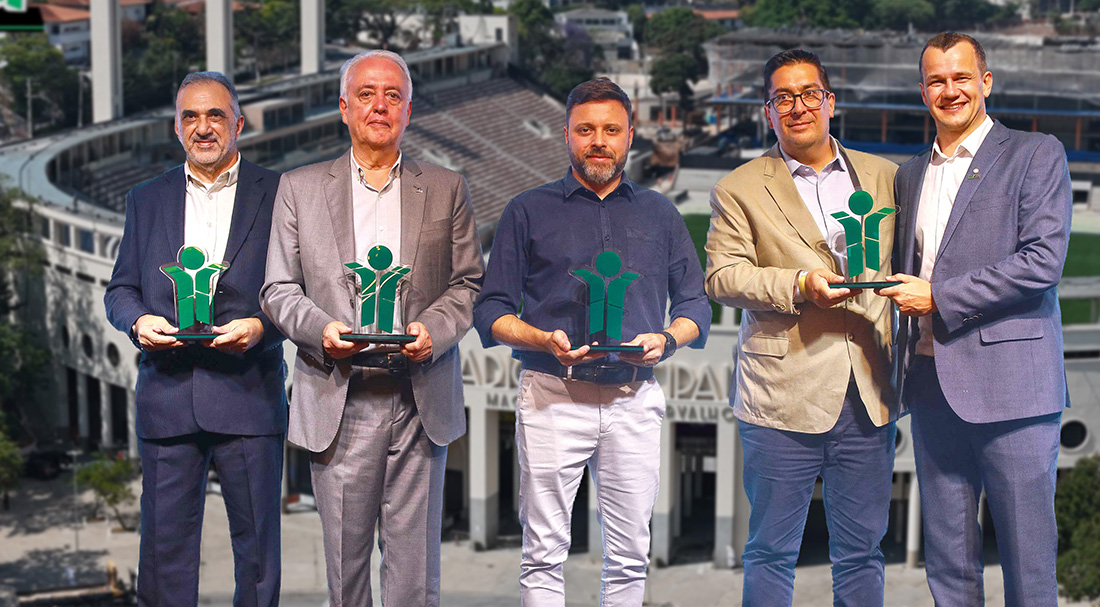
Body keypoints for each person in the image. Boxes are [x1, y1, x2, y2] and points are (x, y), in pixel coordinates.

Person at [473, 77, 711, 607]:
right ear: (566, 135)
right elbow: (490, 311)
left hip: (633, 398)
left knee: (629, 556)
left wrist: (667, 339)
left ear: (630, 136)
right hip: (552, 394)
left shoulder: (659, 213)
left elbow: (696, 306)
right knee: (543, 553)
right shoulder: (527, 210)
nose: (598, 141)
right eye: (585, 130)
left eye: (610, 130)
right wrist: (541, 338)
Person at [259, 50, 483, 607]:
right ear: (344, 107)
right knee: (346, 572)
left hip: (418, 397)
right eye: (366, 94)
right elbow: (278, 289)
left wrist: (434, 329)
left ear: (408, 110)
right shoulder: (299, 188)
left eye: (392, 96)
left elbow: (467, 283)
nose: (379, 106)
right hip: (340, 396)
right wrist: (321, 330)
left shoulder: (447, 187)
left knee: (415, 574)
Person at [879, 32, 1071, 606]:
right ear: (923, 92)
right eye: (936, 81)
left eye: (961, 77)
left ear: (985, 82)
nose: (950, 90)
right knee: (948, 565)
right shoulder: (909, 174)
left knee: (1028, 566)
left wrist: (939, 297)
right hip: (931, 384)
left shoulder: (1035, 153)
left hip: (1014, 390)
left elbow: (1042, 262)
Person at [705, 49, 899, 606]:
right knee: (771, 550)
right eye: (783, 98)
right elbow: (721, 277)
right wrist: (798, 283)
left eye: (809, 94)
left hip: (869, 389)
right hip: (780, 394)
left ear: (830, 102)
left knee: (862, 551)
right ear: (768, 111)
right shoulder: (738, 187)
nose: (798, 107)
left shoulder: (886, 176)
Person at [104, 71, 286, 607]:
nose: (203, 127)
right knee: (164, 559)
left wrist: (261, 327)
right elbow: (120, 290)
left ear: (239, 124)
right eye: (190, 116)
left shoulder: (281, 193)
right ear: (176, 127)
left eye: (215, 115)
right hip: (167, 398)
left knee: (258, 559)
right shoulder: (145, 199)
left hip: (249, 397)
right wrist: (138, 322)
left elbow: (302, 292)